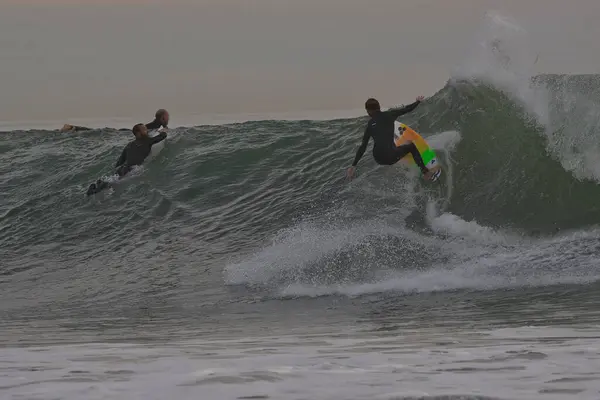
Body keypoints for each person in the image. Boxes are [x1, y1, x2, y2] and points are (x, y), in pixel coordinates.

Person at [346, 96, 432, 181]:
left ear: (368, 111)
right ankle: (425, 172)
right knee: (411, 146)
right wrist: (417, 101)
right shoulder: (390, 114)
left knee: (391, 144)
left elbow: (363, 147)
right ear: (379, 107)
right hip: (391, 156)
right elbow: (407, 109)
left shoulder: (369, 125)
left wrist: (353, 165)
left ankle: (391, 163)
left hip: (378, 158)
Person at [86, 123, 167, 195]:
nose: (146, 131)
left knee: (113, 179)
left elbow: (120, 162)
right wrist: (162, 131)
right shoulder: (147, 141)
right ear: (138, 134)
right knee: (114, 182)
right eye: (144, 130)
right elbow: (162, 136)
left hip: (123, 168)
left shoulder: (129, 145)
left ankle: (99, 185)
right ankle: (96, 190)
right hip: (132, 169)